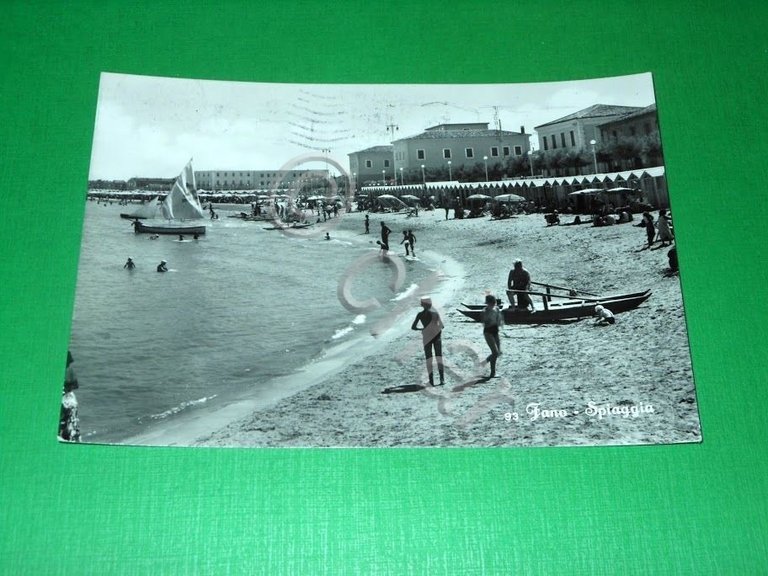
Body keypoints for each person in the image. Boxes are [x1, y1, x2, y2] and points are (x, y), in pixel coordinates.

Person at [411, 297, 445, 386]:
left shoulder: (420, 315)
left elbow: (413, 327)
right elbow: (442, 326)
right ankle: (442, 379)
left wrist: (423, 329)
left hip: (426, 337)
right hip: (436, 337)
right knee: (439, 357)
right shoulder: (435, 313)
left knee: (429, 358)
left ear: (422, 305)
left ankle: (431, 380)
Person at [59, 351, 80, 442]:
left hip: (65, 398)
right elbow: (75, 385)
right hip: (69, 398)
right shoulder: (70, 370)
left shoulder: (68, 370)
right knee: (72, 425)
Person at [481, 294, 504, 378]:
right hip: (488, 332)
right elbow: (485, 322)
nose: (493, 304)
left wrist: (500, 322)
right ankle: (492, 373)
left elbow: (500, 319)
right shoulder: (485, 311)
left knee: (498, 352)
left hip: (495, 331)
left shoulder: (496, 309)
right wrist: (489, 318)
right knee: (495, 352)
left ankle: (484, 363)